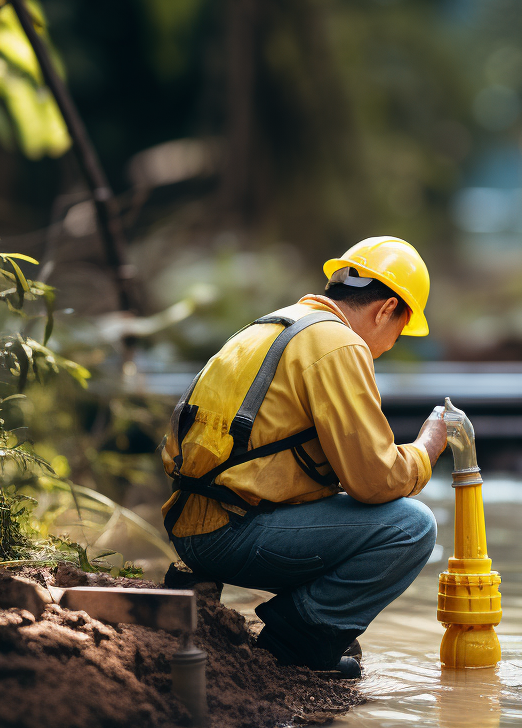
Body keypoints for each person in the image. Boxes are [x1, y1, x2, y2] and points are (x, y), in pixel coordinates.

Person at [161, 236, 447, 679]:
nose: (390, 345)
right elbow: (376, 482)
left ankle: (284, 613)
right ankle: (295, 642)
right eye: (399, 331)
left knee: (356, 514)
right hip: (230, 535)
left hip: (189, 525)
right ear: (386, 309)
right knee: (411, 527)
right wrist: (427, 447)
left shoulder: (274, 325)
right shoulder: (338, 344)